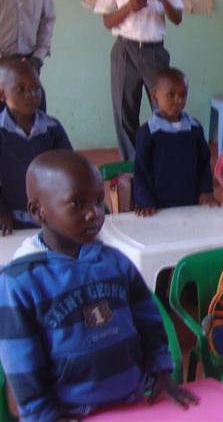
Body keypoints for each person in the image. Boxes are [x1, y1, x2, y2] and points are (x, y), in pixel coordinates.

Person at [0, 150, 196, 421]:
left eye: (98, 201)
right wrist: (43, 415)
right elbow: (21, 362)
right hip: (69, 414)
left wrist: (161, 372)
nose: (94, 213)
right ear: (38, 211)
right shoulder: (20, 282)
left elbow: (149, 321)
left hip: (132, 401)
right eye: (77, 203)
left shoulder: (116, 262)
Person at [94, 0, 184, 161]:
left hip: (154, 51)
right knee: (124, 112)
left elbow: (177, 18)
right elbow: (107, 22)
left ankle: (164, 160)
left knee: (165, 110)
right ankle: (132, 164)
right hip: (124, 50)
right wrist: (128, 7)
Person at [0, 59, 71, 235]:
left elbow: (69, 170)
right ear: (2, 94)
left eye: (36, 88)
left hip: (50, 216)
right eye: (20, 89)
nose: (30, 95)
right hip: (9, 220)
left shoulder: (52, 128)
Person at [133, 67, 217, 215]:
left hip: (191, 203)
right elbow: (141, 171)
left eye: (183, 95)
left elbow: (204, 163)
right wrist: (145, 201)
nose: (178, 100)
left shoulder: (194, 128)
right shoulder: (147, 132)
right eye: (171, 95)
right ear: (155, 96)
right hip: (158, 207)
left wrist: (206, 190)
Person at [0, 0, 55, 113]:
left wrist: (37, 58)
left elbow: (47, 19)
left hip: (30, 67)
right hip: (1, 66)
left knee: (37, 123)